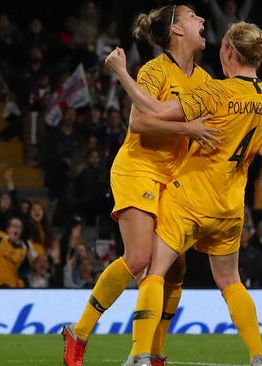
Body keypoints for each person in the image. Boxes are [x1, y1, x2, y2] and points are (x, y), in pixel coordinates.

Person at [105, 21, 262, 366]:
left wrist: (122, 74)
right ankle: (258, 356)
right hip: (230, 208)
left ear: (229, 51)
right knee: (231, 280)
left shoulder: (216, 92)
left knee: (155, 273)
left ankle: (140, 354)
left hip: (189, 199)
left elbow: (155, 111)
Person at [62, 5, 221, 366]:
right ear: (176, 31)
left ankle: (155, 353)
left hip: (174, 179)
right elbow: (138, 123)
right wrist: (187, 128)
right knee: (138, 258)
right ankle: (80, 331)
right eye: (193, 15)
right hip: (138, 169)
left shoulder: (205, 80)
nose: (202, 20)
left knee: (174, 269)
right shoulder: (154, 70)